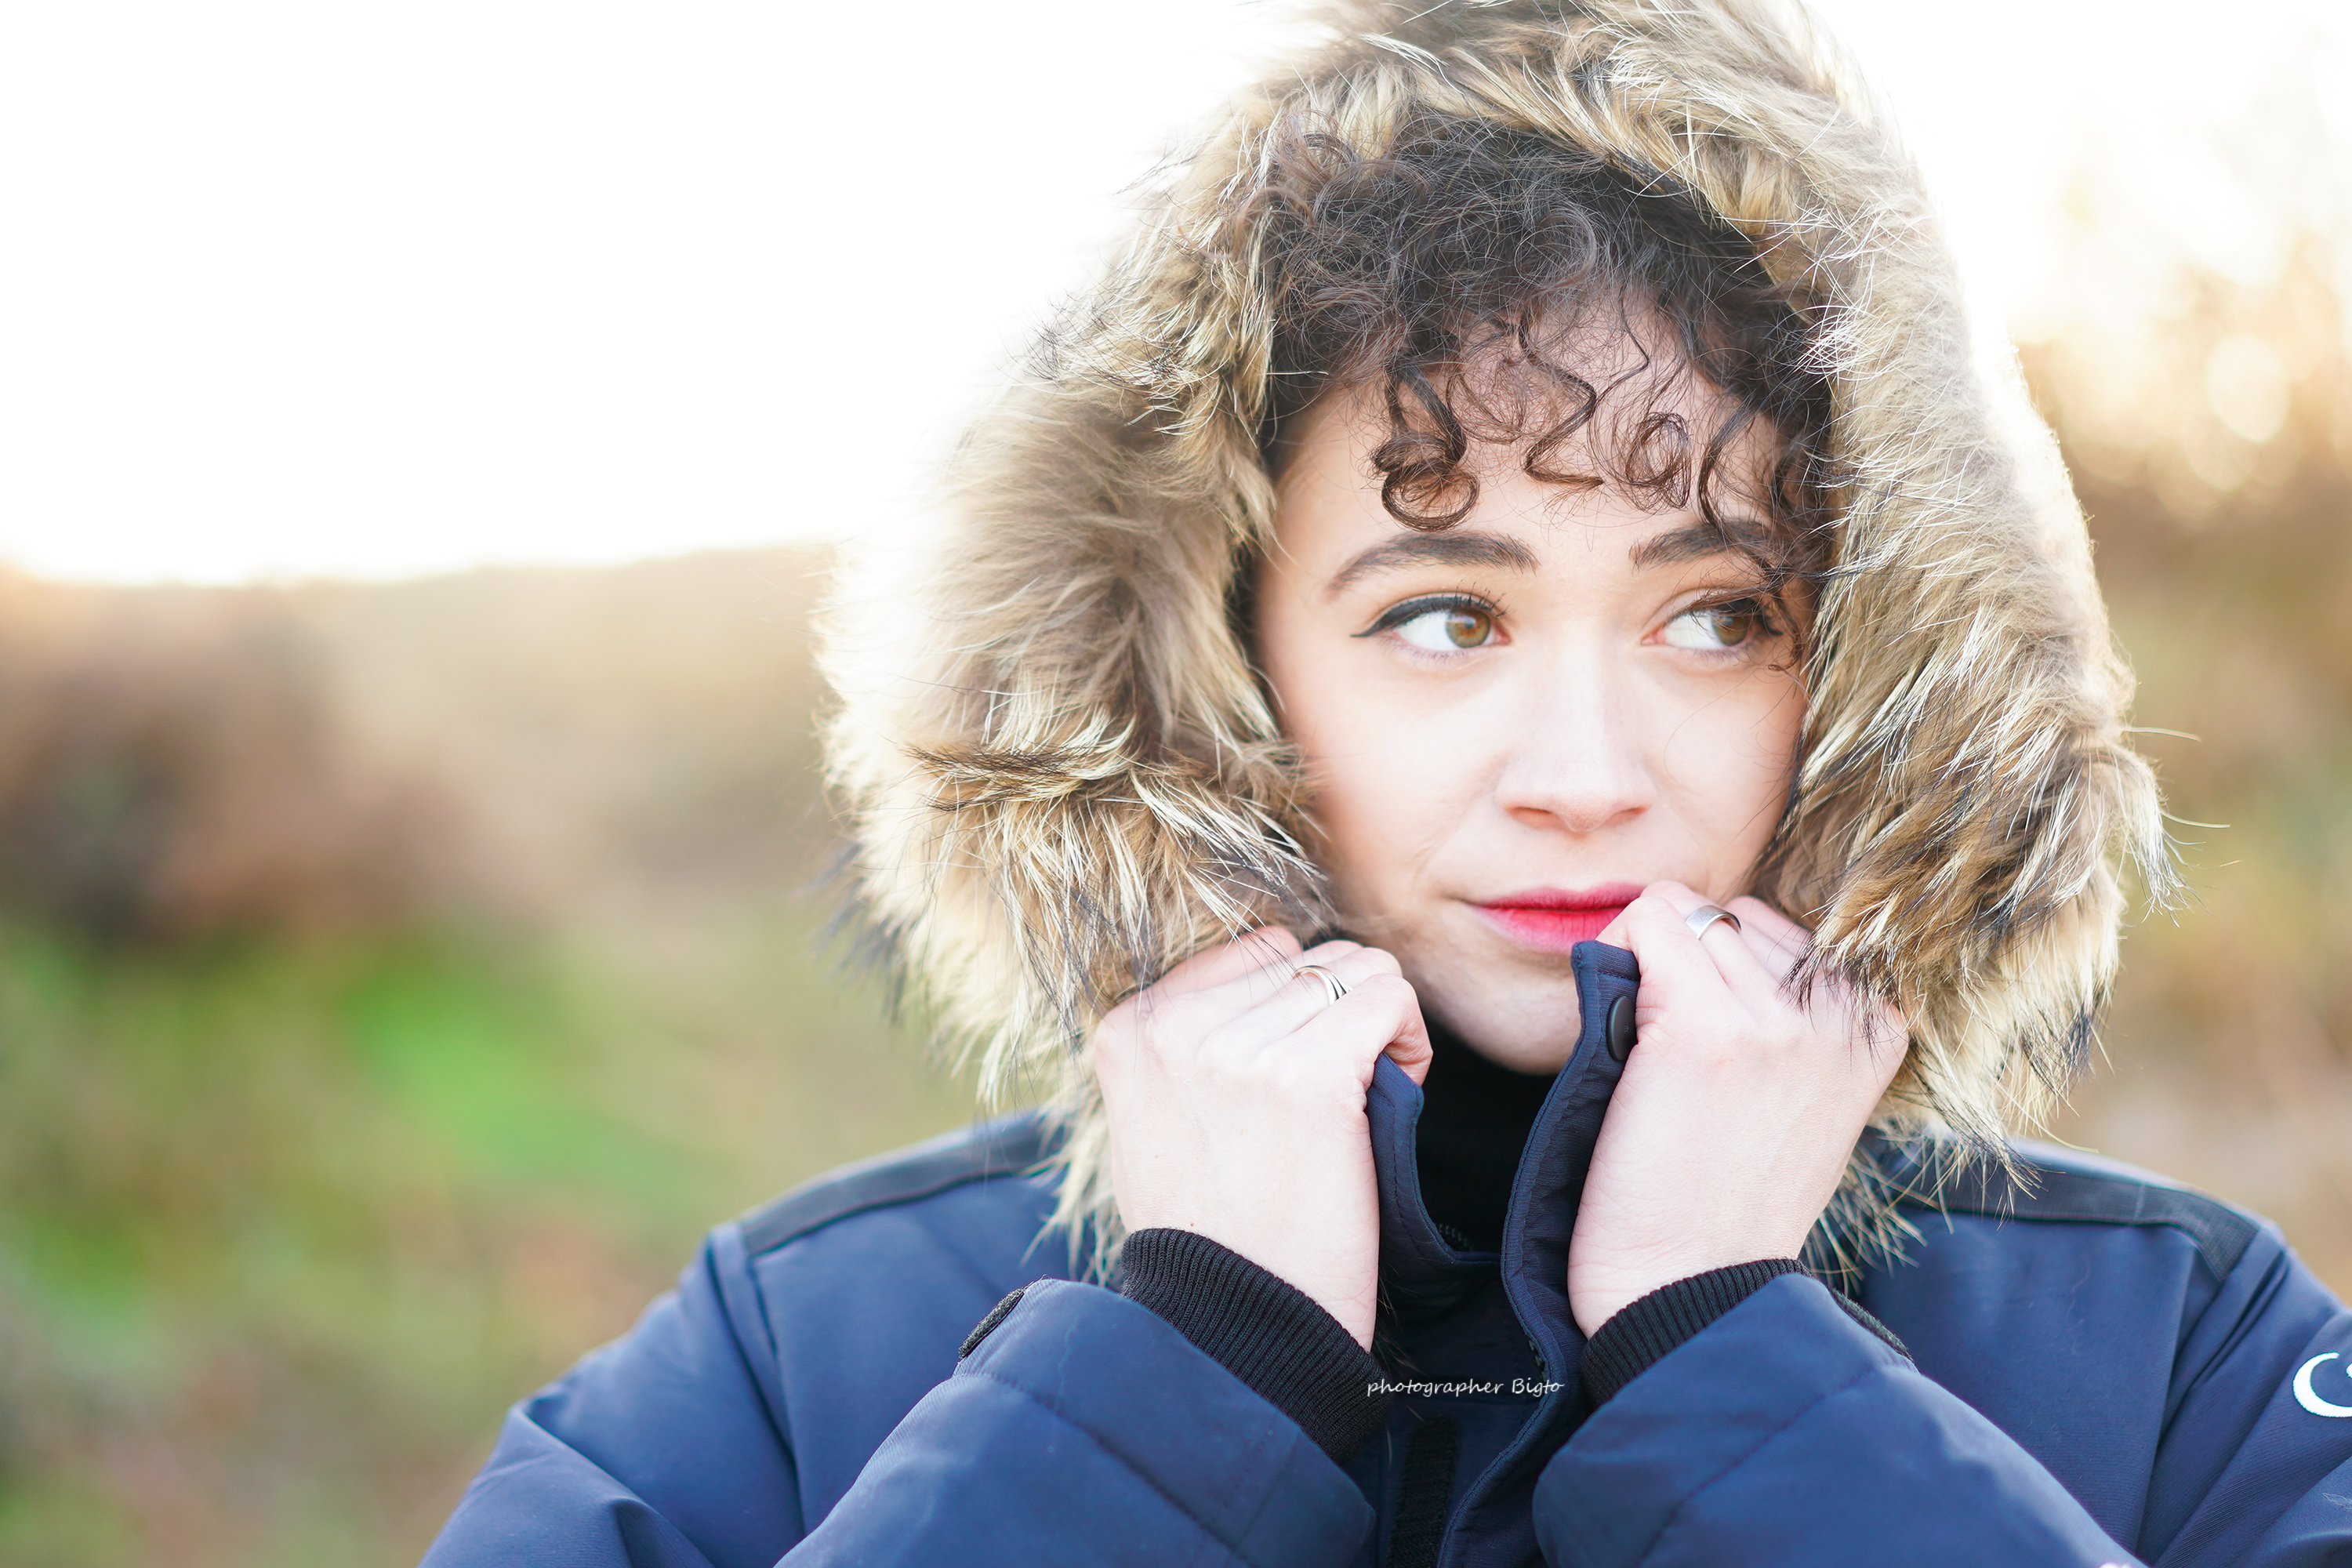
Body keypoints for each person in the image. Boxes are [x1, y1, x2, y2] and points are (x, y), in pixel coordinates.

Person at [423, 2, 2352, 1563]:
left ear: (1867, 659)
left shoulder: (2175, 1353)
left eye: (1717, 618)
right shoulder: (801, 1350)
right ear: (1218, 659)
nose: (1585, 777)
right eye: (1445, 617)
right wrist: (1188, 1370)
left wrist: (1729, 1357)